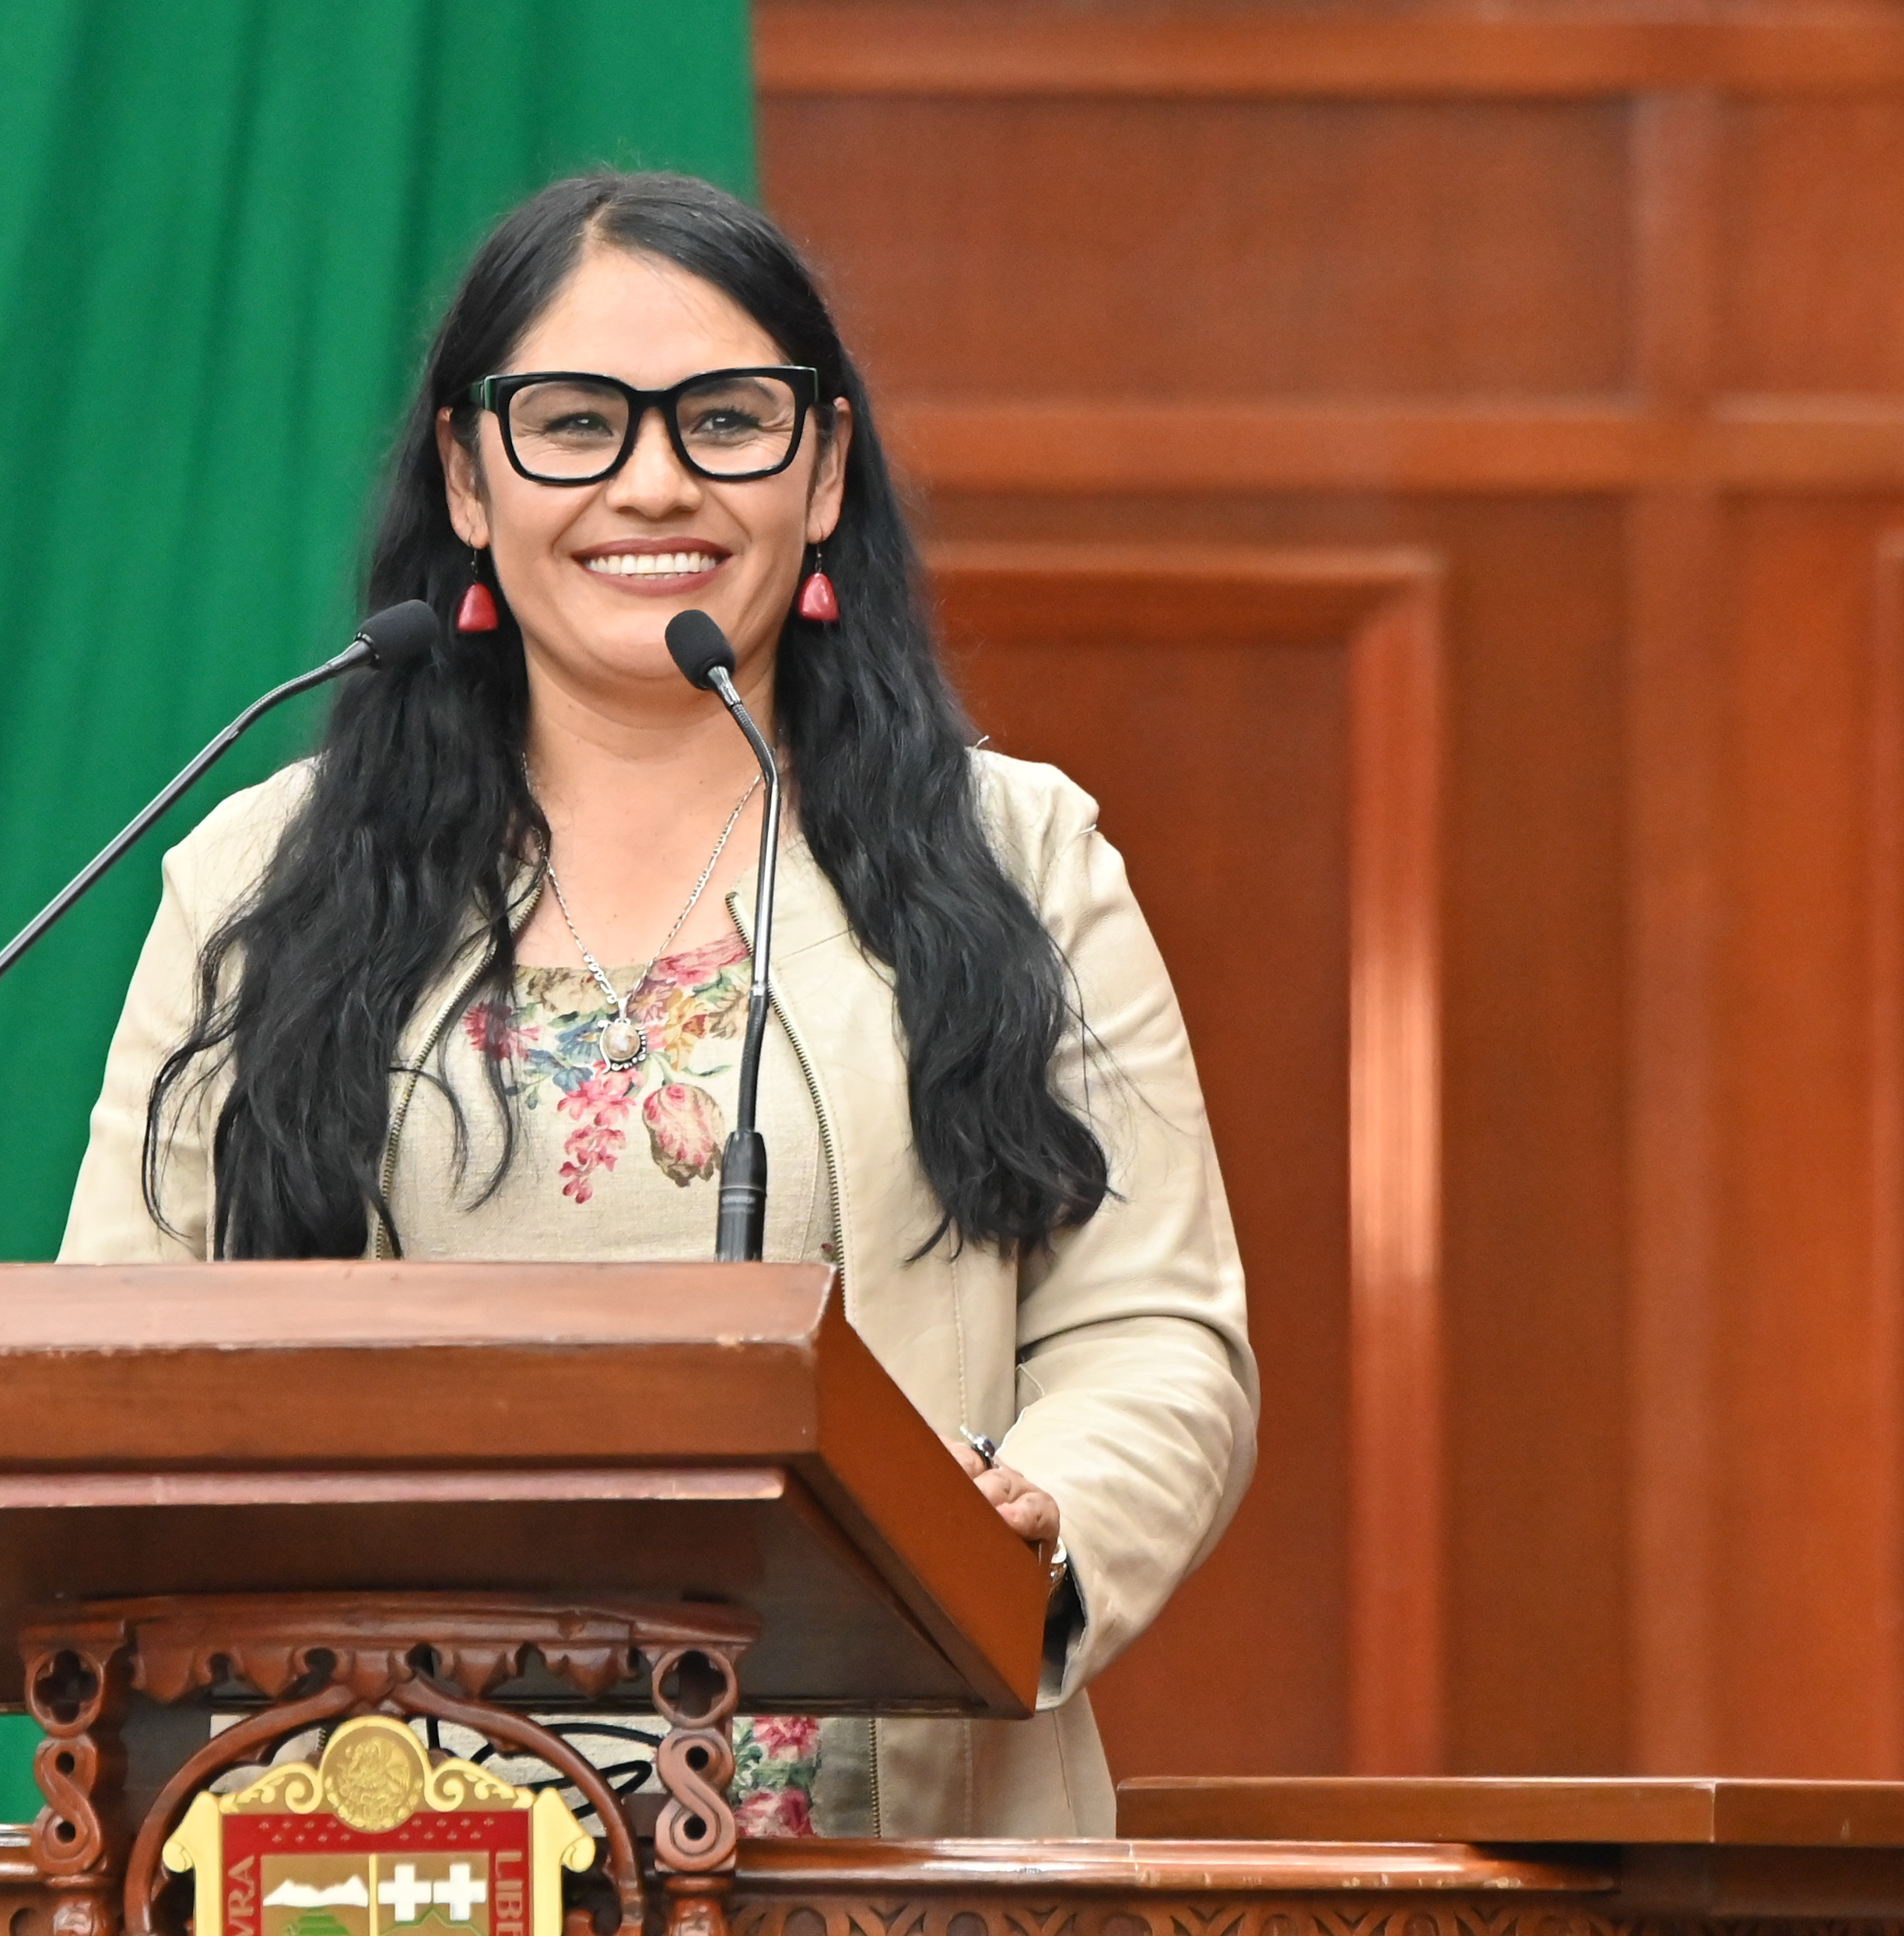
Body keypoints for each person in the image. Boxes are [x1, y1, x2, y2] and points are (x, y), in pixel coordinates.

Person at [61, 171, 1256, 1840]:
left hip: (902, 1844)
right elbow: (113, 1365)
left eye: (726, 420)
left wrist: (1035, 1517)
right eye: (573, 422)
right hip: (382, 1845)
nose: (653, 481)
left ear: (823, 470)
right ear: (467, 478)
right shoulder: (261, 883)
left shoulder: (1018, 857)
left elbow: (1154, 1331)